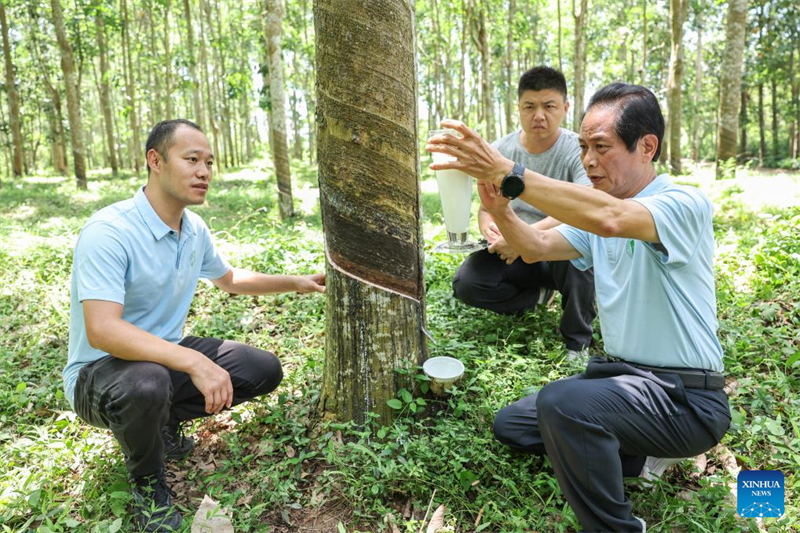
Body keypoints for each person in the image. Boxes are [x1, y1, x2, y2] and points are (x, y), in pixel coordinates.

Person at [427, 84, 730, 532]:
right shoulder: (597, 218)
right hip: (624, 382)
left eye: (601, 147)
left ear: (647, 147)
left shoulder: (682, 204)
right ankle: (637, 454)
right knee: (514, 425)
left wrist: (511, 171)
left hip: (686, 399)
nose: (588, 160)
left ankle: (617, 527)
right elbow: (535, 247)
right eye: (584, 146)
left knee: (563, 404)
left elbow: (611, 219)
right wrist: (503, 211)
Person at [63, 119, 325, 532]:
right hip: (99, 375)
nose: (204, 172)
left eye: (209, 162)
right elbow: (103, 331)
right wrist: (193, 362)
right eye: (191, 160)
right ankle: (148, 486)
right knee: (146, 381)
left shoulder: (193, 228)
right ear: (156, 161)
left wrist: (298, 283)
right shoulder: (108, 232)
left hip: (162, 358)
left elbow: (230, 279)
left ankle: (160, 422)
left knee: (262, 370)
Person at [451, 66, 596, 360]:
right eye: (529, 106)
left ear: (565, 108)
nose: (539, 115)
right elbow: (484, 208)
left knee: (581, 254)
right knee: (466, 283)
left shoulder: (577, 149)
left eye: (549, 106)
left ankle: (576, 342)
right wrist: (492, 230)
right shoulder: (499, 150)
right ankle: (535, 297)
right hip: (511, 249)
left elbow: (584, 202)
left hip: (556, 246)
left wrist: (525, 236)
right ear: (518, 108)